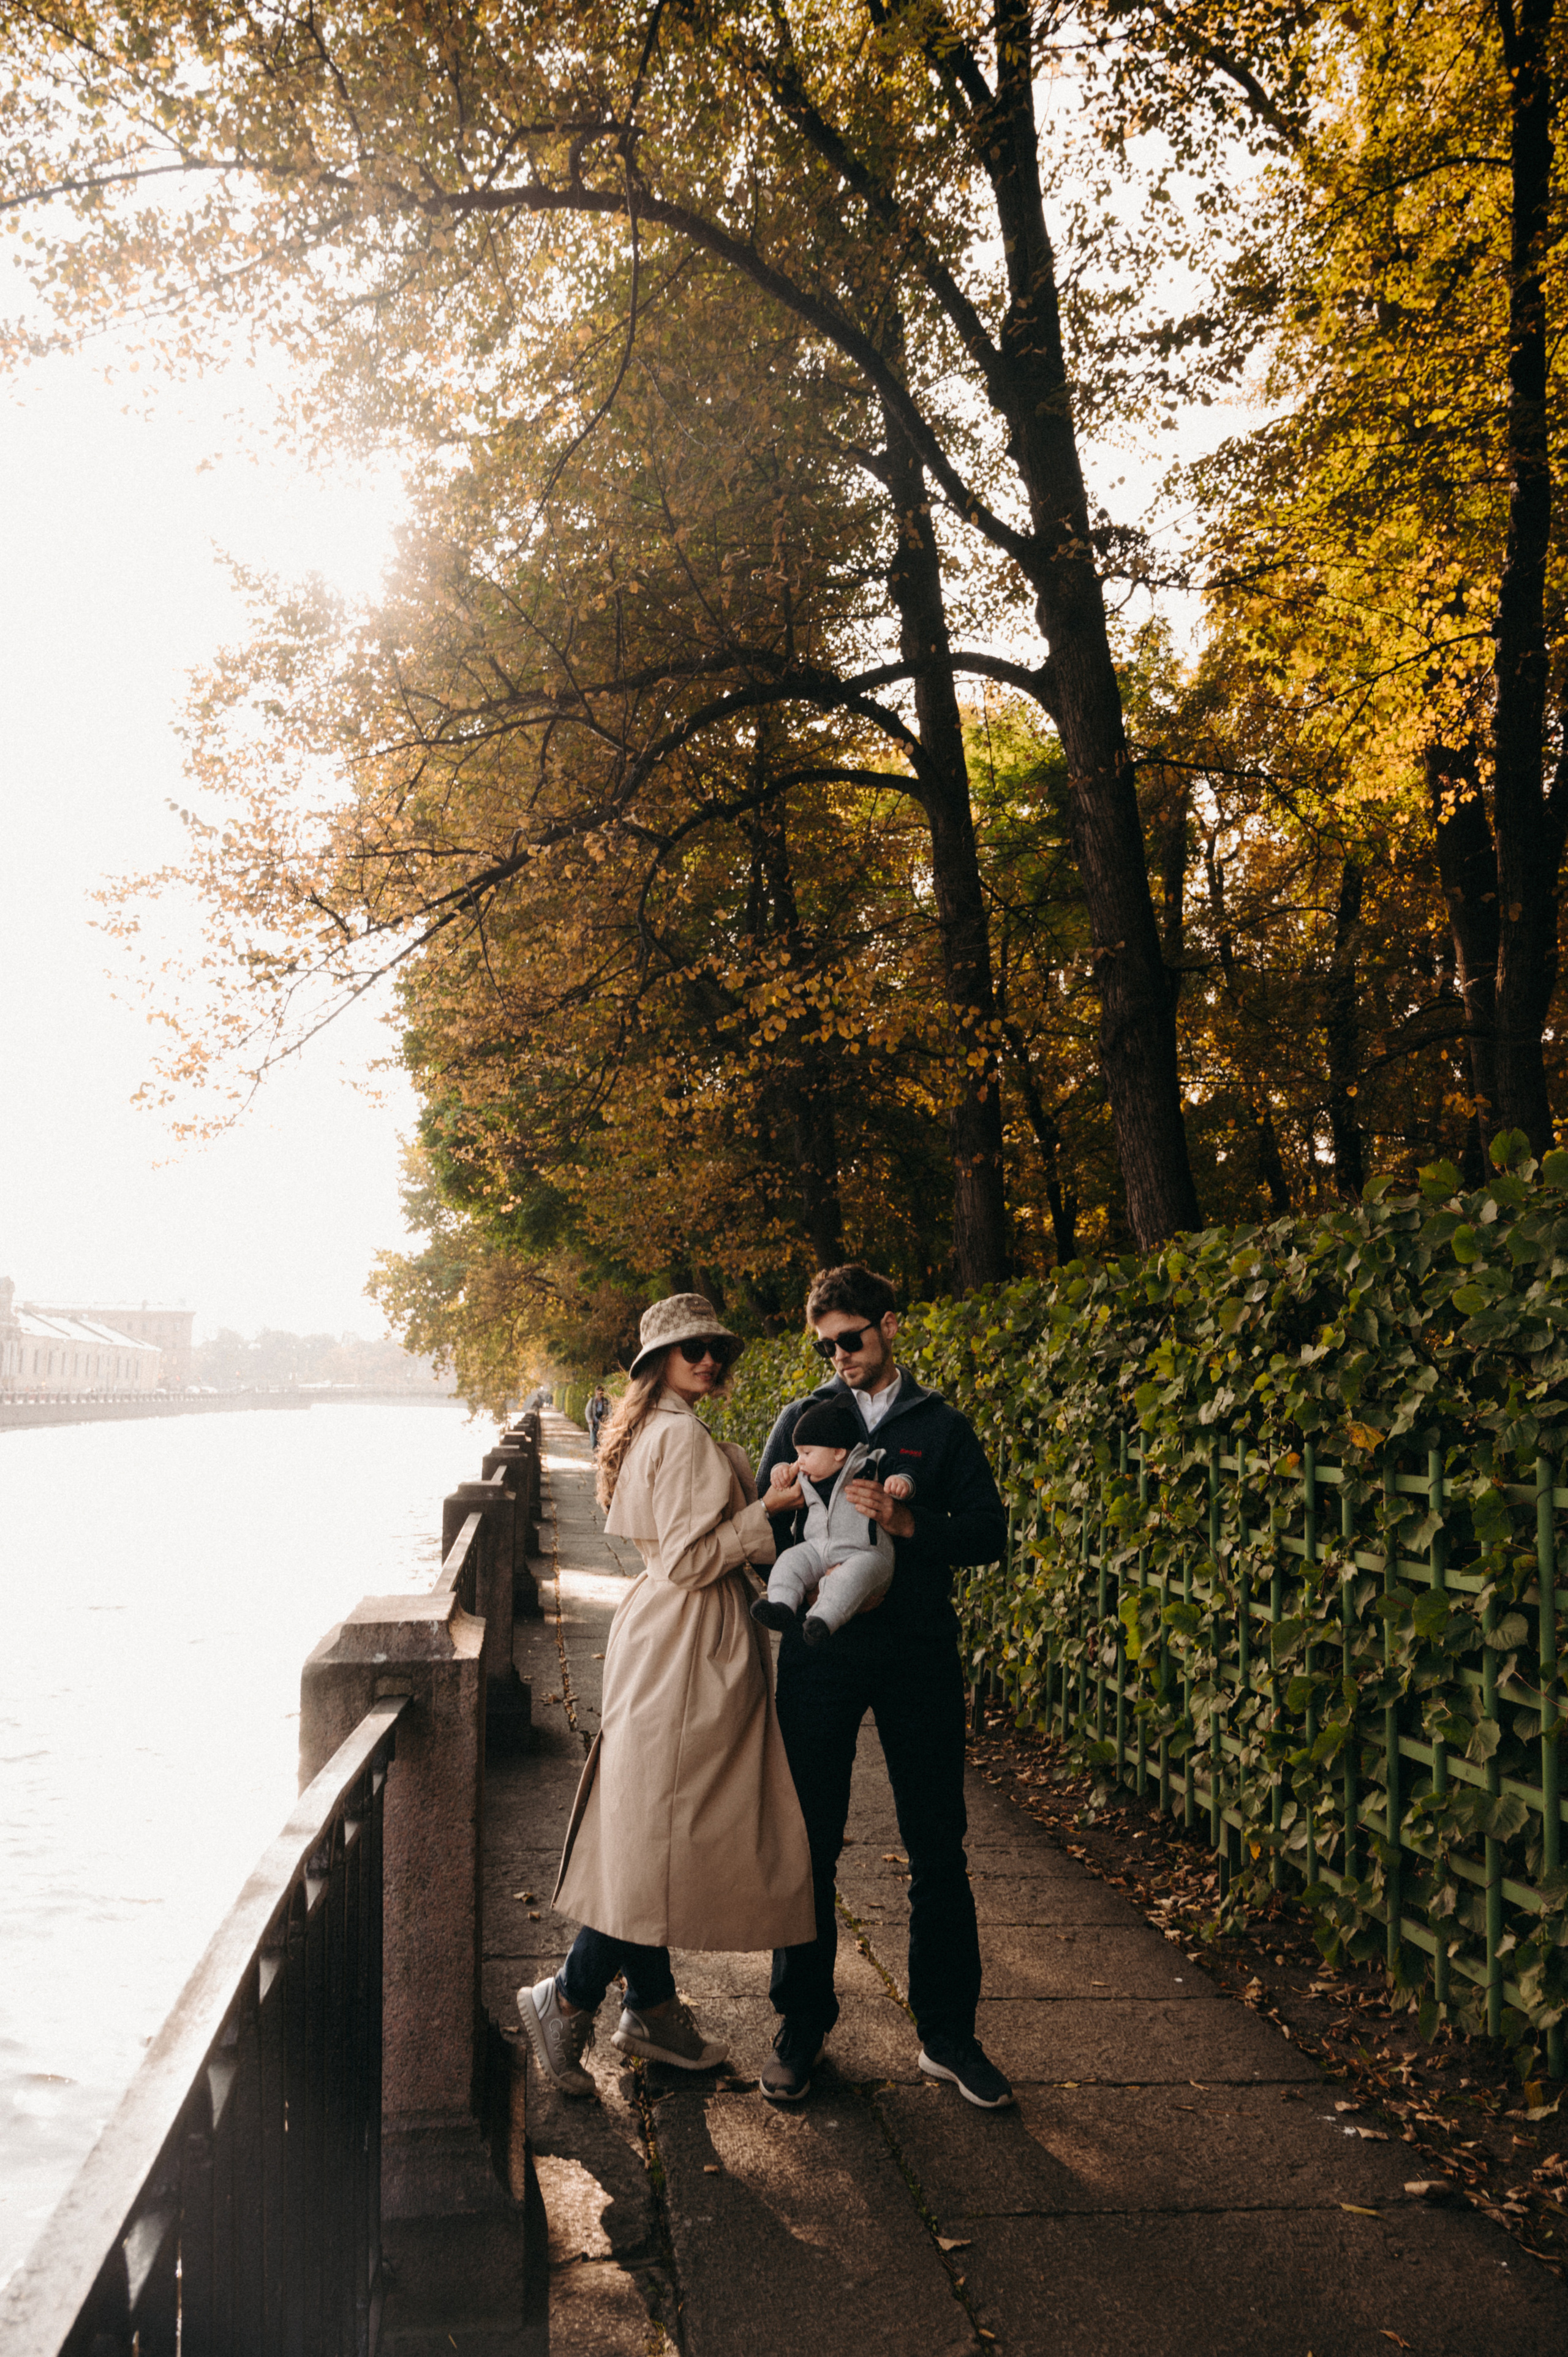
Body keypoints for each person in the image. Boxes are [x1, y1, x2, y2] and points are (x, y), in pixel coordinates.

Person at [518, 1293, 814, 2098]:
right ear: (659, 1363)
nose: (710, 1360)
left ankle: (651, 2009)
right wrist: (771, 1510)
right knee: (654, 1840)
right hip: (689, 1640)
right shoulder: (679, 1434)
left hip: (668, 1633)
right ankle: (569, 1997)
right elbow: (690, 1560)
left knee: (646, 1828)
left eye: (716, 1347)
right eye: (693, 1351)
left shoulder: (657, 1426)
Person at [755, 1262, 1013, 2110]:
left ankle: (948, 2036)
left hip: (917, 1654)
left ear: (889, 1325)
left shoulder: (939, 1426)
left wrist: (910, 1524)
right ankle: (801, 2025)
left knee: (939, 1845)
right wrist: (780, 1508)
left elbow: (988, 1532)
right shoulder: (799, 1417)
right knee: (809, 1843)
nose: (840, 1355)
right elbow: (766, 1528)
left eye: (852, 1337)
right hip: (821, 1660)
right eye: (826, 1343)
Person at [750, 1396, 915, 1644]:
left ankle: (822, 1621)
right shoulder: (805, 1471)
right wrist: (780, 1471)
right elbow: (777, 1477)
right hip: (818, 1548)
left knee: (848, 1580)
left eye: (806, 1453)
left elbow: (903, 1470)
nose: (800, 1460)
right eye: (797, 1453)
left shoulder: (868, 1464)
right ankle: (782, 1606)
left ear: (838, 1452)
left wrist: (902, 1483)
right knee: (789, 1561)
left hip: (865, 1553)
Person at [585, 1382, 610, 1450]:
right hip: (594, 1426)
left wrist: (609, 1421)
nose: (599, 1395)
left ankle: (599, 1459)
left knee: (602, 1445)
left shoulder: (607, 1402)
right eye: (598, 1393)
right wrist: (589, 1420)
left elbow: (610, 1412)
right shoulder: (592, 1401)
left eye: (601, 1394)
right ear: (595, 1393)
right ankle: (595, 1459)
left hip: (603, 1426)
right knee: (594, 1444)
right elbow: (587, 1411)